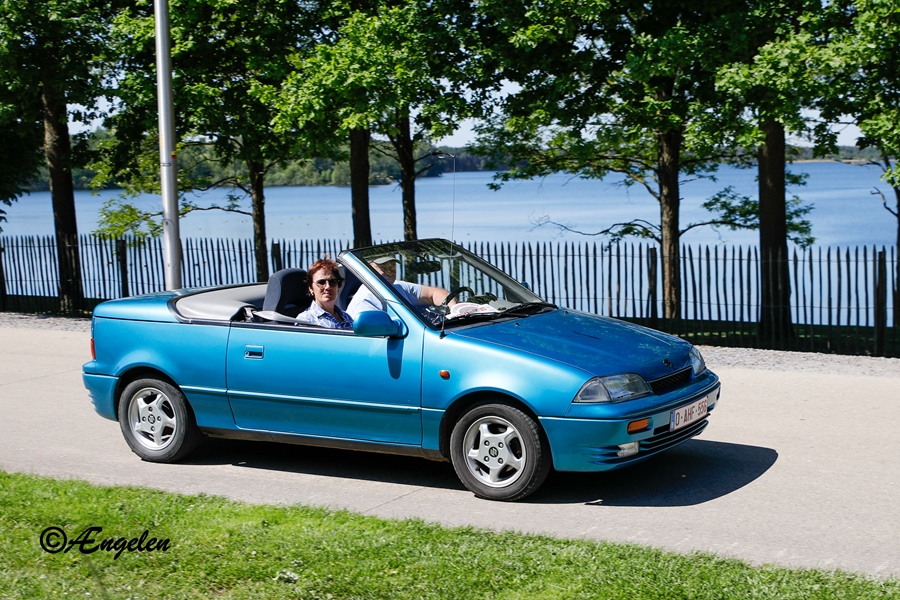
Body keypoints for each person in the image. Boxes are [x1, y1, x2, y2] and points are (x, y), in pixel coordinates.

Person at [346, 256, 453, 319]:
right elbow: (374, 333)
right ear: (369, 269)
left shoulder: (398, 286)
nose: (391, 272)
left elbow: (434, 293)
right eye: (384, 268)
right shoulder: (366, 298)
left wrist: (455, 309)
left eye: (393, 267)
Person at [295, 258, 354, 330]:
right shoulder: (305, 321)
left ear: (338, 287)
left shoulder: (347, 317)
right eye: (321, 282)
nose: (328, 287)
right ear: (311, 288)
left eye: (332, 282)